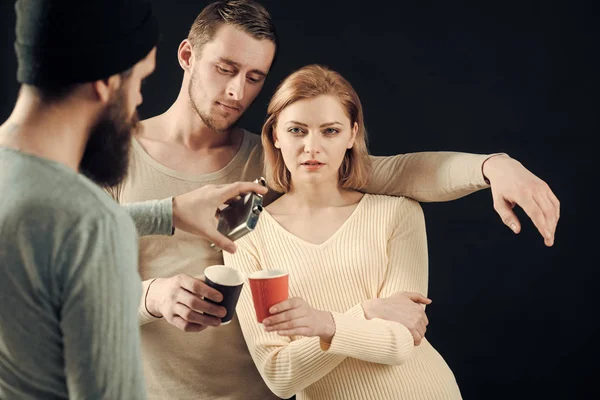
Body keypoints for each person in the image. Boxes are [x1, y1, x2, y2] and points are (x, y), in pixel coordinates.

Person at [107, 1, 559, 399]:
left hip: (265, 390)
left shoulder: (271, 161)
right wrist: (152, 296)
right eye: (224, 68)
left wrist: (493, 166)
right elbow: (67, 284)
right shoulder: (112, 156)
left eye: (254, 77)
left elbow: (399, 172)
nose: (236, 91)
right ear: (187, 55)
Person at [225, 64, 485, 399]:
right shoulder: (245, 234)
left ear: (352, 134)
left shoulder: (397, 213)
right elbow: (279, 374)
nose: (312, 147)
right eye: (297, 130)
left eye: (330, 131)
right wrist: (367, 312)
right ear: (275, 134)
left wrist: (325, 324)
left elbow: (399, 343)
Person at [0, 0, 159, 398]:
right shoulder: (91, 223)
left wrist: (169, 213)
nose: (139, 101)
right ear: (106, 81)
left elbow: (35, 234)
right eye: (140, 79)